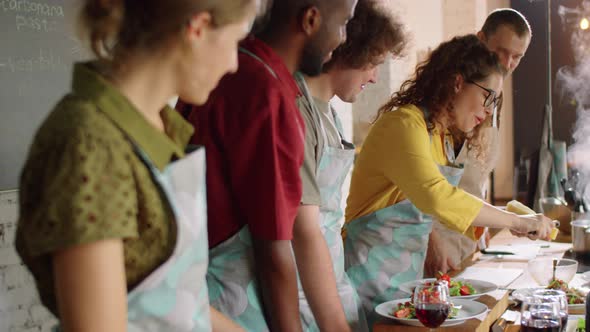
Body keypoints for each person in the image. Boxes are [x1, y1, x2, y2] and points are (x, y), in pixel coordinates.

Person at [14, 1, 257, 331]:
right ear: (197, 29)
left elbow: (179, 301)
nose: (232, 65)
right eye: (235, 42)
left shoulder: (160, 125)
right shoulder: (91, 145)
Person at [343, 34, 554, 324]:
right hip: (364, 286)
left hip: (403, 291)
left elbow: (426, 211)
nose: (490, 110)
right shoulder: (403, 124)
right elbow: (436, 196)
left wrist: (490, 227)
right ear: (457, 83)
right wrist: (518, 221)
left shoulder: (440, 137)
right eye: (487, 96)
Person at [176, 0, 357, 330]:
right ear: (311, 19)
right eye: (343, 23)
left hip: (194, 298)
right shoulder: (267, 93)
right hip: (234, 305)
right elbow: (274, 250)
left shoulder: (230, 67)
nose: (343, 38)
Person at [294, 1, 406, 330]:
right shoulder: (298, 110)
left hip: (331, 277)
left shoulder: (329, 112)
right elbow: (303, 230)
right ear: (345, 51)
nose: (373, 78)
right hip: (303, 289)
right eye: (372, 64)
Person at [425, 8, 533, 276]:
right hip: (430, 243)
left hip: (466, 243)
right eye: (501, 52)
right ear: (480, 39)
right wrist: (429, 242)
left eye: (517, 57)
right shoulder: (444, 98)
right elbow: (419, 182)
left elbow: (475, 172)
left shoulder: (495, 97)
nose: (507, 64)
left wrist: (483, 226)